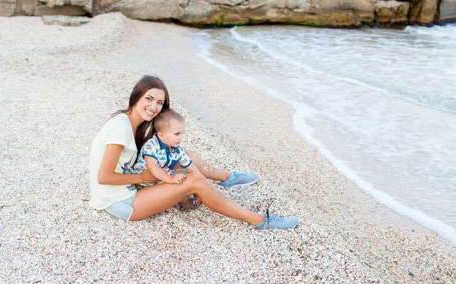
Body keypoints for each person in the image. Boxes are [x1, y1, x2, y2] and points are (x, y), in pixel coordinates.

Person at [88, 75, 298, 229]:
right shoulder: (120, 129)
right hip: (120, 202)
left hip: (130, 189)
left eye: (159, 103)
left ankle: (226, 177)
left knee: (177, 151)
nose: (153, 107)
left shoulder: (135, 124)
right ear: (137, 96)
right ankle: (259, 220)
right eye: (149, 98)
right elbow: (103, 176)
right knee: (194, 181)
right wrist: (143, 176)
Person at [129, 108, 196, 186]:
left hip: (161, 179)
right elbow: (153, 168)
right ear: (161, 135)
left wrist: (197, 176)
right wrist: (169, 179)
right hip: (144, 184)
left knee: (183, 180)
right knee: (175, 184)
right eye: (177, 134)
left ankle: (192, 194)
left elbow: (190, 165)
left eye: (182, 133)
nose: (181, 137)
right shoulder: (151, 146)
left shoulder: (177, 149)